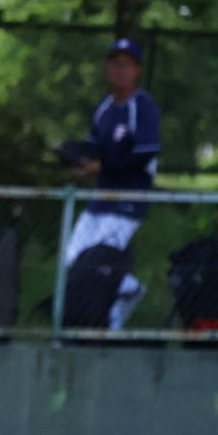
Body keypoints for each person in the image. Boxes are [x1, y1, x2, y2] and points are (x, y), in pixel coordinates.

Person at [62, 37, 162, 329]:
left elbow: (144, 155)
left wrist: (102, 165)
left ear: (137, 71)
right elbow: (95, 147)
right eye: (114, 64)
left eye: (125, 65)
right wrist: (78, 159)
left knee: (101, 262)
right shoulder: (105, 108)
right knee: (73, 258)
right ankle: (111, 301)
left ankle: (115, 310)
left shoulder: (143, 107)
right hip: (101, 197)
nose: (119, 70)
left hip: (129, 200)